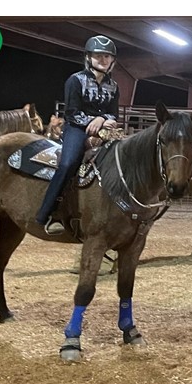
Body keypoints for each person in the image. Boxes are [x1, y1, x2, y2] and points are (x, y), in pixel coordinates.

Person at [37, 35, 121, 235]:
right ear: (88, 57)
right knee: (68, 164)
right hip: (76, 128)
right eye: (98, 56)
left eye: (107, 56)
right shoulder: (75, 80)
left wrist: (102, 120)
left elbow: (113, 113)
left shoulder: (114, 86)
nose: (103, 60)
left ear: (112, 60)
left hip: (103, 129)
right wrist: (94, 120)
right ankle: (49, 212)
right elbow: (71, 113)